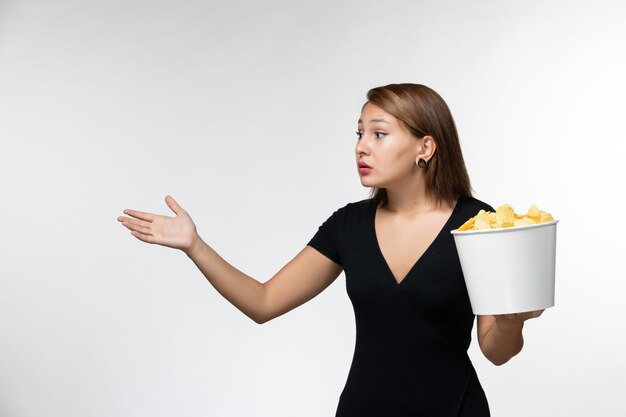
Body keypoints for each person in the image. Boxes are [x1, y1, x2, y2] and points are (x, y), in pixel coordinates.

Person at [117, 83, 545, 416]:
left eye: (379, 134)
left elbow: (495, 350)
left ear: (425, 148)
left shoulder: (477, 222)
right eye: (360, 133)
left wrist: (510, 322)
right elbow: (264, 302)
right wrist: (195, 245)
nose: (362, 146)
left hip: (454, 410)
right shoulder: (348, 226)